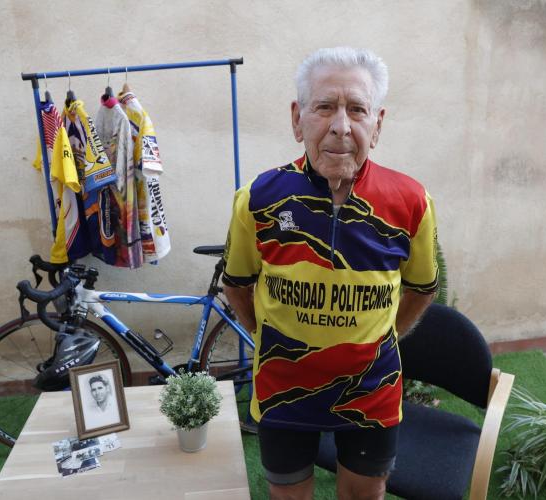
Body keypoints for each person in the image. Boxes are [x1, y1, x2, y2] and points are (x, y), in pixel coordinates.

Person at [222, 47, 439, 500]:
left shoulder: (411, 201)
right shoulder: (257, 199)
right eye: (324, 107)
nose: (341, 126)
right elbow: (237, 284)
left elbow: (422, 289)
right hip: (282, 388)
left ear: (377, 125)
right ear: (297, 118)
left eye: (357, 109)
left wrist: (384, 337)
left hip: (372, 391)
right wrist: (268, 337)